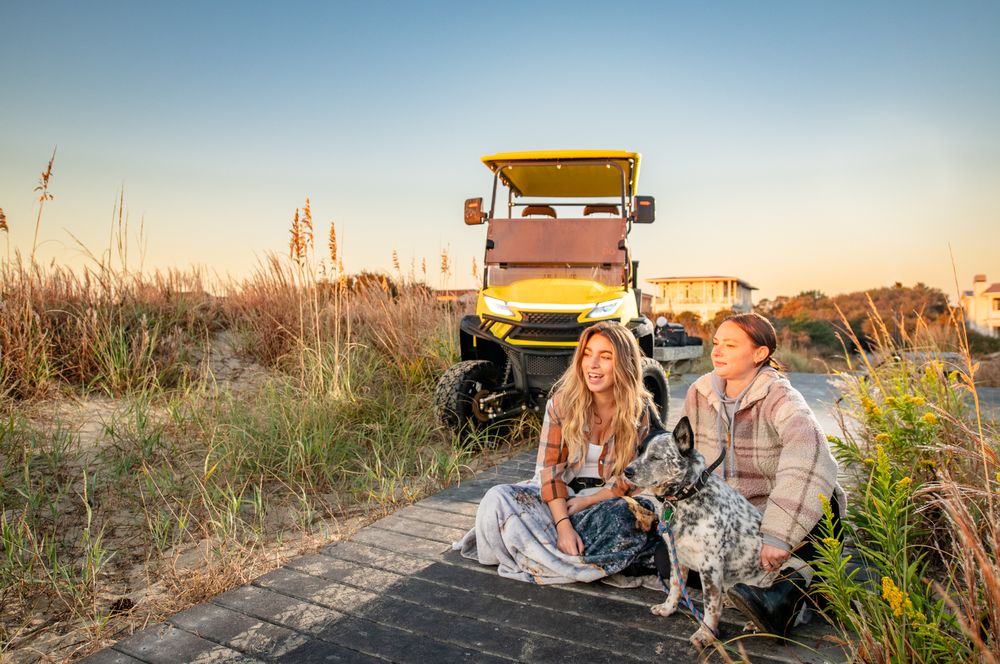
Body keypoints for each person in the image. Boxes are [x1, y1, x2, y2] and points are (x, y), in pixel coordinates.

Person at [656, 312, 846, 636]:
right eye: (716, 343)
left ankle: (786, 596)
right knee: (663, 557)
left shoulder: (781, 397)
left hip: (777, 513)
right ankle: (772, 590)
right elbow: (684, 460)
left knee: (815, 516)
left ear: (759, 354)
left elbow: (809, 455)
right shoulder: (699, 393)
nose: (717, 351)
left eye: (730, 345)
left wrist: (777, 534)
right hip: (729, 519)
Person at [454, 321, 660, 584]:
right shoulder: (562, 404)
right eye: (587, 354)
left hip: (604, 501)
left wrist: (589, 501)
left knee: (625, 517)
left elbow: (633, 478)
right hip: (559, 499)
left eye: (605, 357)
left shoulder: (639, 410)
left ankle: (544, 553)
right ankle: (577, 557)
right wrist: (563, 525)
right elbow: (549, 473)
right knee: (496, 499)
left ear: (624, 363)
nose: (592, 364)